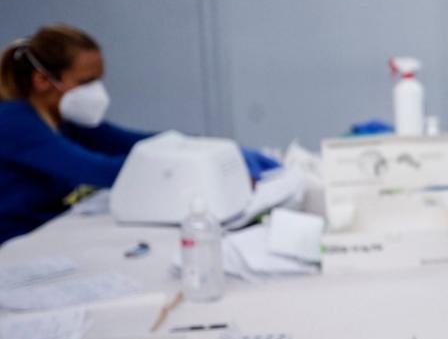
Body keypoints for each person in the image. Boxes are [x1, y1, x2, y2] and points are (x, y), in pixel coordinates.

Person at [0, 25, 278, 246]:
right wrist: (194, 167)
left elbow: (138, 143)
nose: (96, 91)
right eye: (86, 82)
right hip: (13, 244)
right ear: (42, 81)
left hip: (46, 232)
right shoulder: (14, 123)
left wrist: (210, 149)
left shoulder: (67, 120)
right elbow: (100, 171)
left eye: (99, 80)